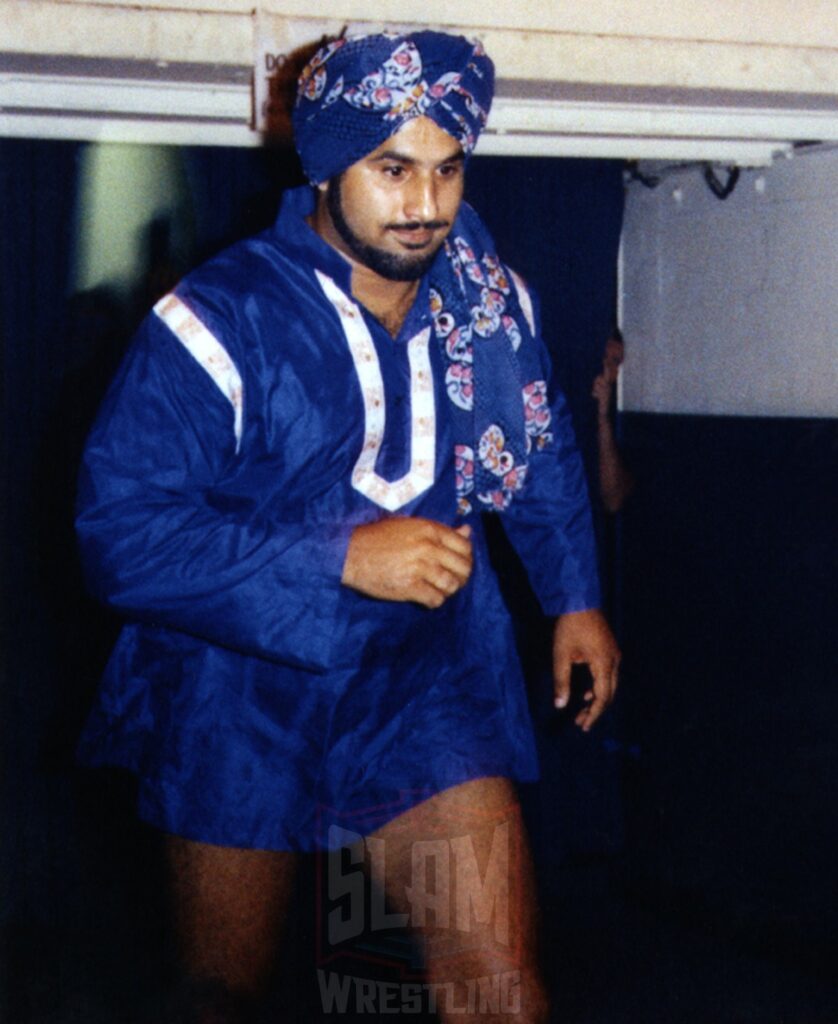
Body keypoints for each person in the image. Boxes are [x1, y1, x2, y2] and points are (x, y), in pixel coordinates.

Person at [75, 30, 620, 1023]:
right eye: (393, 169)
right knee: (216, 995)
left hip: (425, 686)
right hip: (237, 691)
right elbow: (121, 531)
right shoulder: (218, 317)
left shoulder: (487, 301)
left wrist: (574, 595)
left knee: (499, 987)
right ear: (326, 166)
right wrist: (338, 558)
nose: (426, 204)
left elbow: (536, 446)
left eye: (448, 169)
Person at [591, 328, 634, 514]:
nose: (608, 370)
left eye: (615, 362)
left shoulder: (622, 424)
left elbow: (613, 499)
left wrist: (602, 417)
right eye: (604, 359)